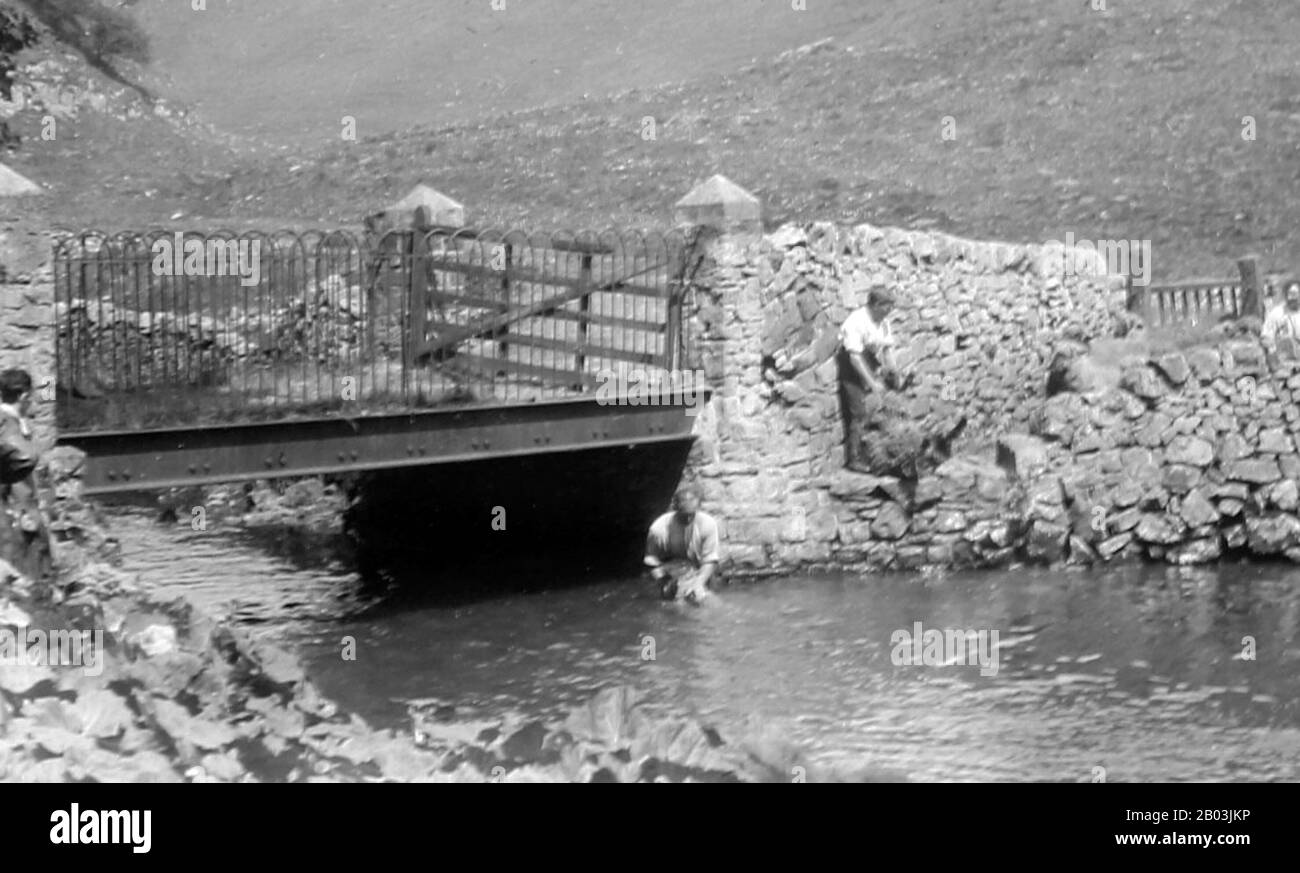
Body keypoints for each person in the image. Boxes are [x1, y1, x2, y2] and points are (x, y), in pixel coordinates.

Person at [837, 285, 904, 473]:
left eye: (891, 306)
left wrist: (894, 372)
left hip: (870, 359)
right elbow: (855, 358)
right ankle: (854, 458)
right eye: (886, 306)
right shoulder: (856, 321)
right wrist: (872, 383)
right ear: (874, 305)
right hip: (851, 364)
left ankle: (883, 450)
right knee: (859, 411)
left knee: (886, 404)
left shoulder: (883, 323)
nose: (889, 310)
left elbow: (887, 349)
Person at [0, 368, 48, 581]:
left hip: (21, 508)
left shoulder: (15, 423)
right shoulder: (7, 425)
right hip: (18, 513)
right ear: (24, 396)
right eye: (31, 397)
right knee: (23, 572)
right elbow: (23, 459)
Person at [644, 484, 721, 605]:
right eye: (684, 515)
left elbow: (710, 560)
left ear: (698, 507)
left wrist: (698, 584)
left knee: (707, 600)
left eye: (692, 515)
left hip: (699, 566)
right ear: (675, 508)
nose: (688, 519)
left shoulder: (707, 524)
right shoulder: (659, 528)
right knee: (676, 604)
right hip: (670, 569)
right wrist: (665, 581)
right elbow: (650, 559)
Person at [1261, 278, 1300, 353]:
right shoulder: (1276, 314)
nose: (1292, 298)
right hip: (1284, 359)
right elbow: (1265, 338)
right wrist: (1277, 343)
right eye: (1289, 294)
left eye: (1295, 294)